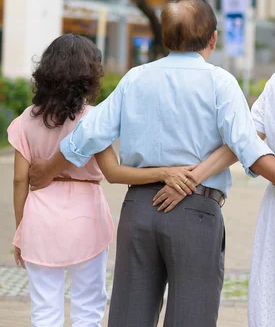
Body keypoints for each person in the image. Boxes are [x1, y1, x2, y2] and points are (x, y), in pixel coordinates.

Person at [27, 0, 275, 327]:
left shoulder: (135, 78)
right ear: (213, 39)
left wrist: (48, 168)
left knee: (129, 317)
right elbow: (246, 144)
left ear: (165, 39)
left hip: (139, 209)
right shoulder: (220, 82)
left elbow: (89, 131)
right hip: (196, 212)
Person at [10, 34, 198, 327]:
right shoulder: (92, 118)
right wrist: (163, 172)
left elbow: (20, 180)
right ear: (89, 75)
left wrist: (21, 229)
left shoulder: (25, 120)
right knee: (88, 308)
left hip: (39, 219)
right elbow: (113, 173)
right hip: (86, 218)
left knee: (44, 311)